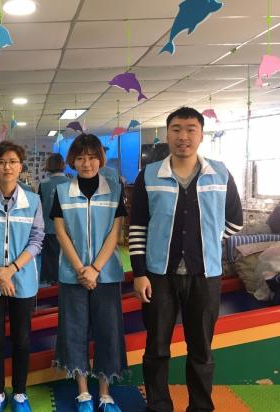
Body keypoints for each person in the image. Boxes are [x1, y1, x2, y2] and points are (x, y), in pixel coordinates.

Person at [129, 107, 243, 412]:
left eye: (191, 129)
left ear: (201, 135)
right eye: (176, 129)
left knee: (201, 350)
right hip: (158, 276)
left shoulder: (220, 173)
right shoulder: (149, 175)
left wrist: (206, 242)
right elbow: (137, 227)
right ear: (167, 134)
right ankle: (158, 405)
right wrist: (139, 273)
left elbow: (235, 222)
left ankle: (201, 407)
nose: (183, 136)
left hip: (205, 275)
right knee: (156, 347)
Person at [51, 134, 127, 412]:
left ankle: (105, 394)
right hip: (73, 275)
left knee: (108, 332)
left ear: (100, 159)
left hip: (106, 274)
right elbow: (61, 233)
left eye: (92, 157)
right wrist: (80, 269)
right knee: (74, 331)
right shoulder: (62, 191)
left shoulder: (115, 190)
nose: (86, 163)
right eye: (81, 158)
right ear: (72, 161)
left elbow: (115, 232)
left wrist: (95, 269)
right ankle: (83, 393)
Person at [0, 141, 45, 412]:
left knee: (22, 340)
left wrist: (11, 270)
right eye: (1, 162)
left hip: (22, 280)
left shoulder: (33, 201)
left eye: (13, 161)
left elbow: (37, 240)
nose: (7, 167)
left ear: (21, 166)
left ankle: (20, 393)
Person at [37, 153, 69, 285]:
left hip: (48, 228)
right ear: (63, 165)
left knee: (50, 260)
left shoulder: (43, 184)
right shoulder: (71, 183)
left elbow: (39, 207)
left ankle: (51, 284)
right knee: (66, 258)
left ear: (48, 166)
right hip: (68, 229)